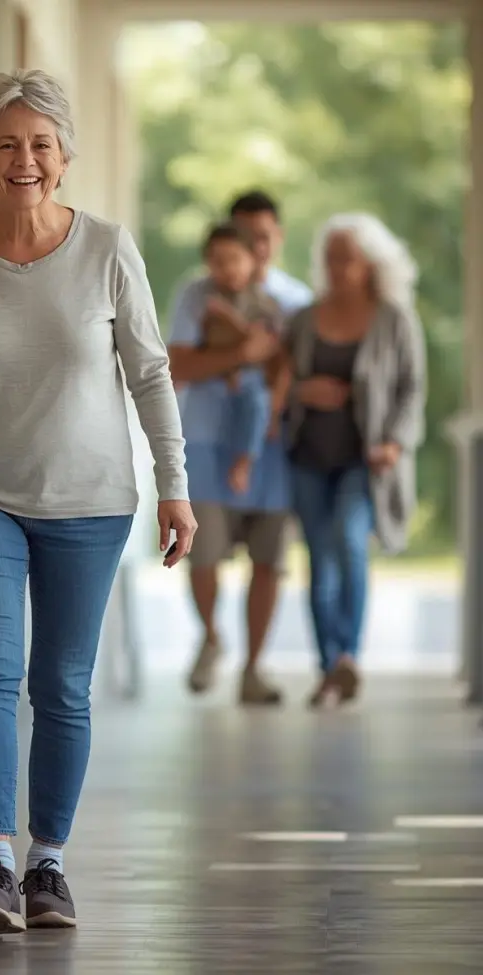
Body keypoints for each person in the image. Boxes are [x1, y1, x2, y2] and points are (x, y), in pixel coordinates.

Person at [0, 69, 197, 935]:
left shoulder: (107, 248)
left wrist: (175, 484)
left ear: (63, 157)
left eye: (40, 145)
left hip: (90, 498)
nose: (24, 160)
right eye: (6, 144)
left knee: (62, 683)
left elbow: (150, 372)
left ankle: (49, 864)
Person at [168, 190, 313, 705]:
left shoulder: (294, 301)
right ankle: (210, 636)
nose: (254, 244)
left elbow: (293, 373)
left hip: (271, 449)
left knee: (269, 560)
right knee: (200, 554)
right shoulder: (197, 293)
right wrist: (242, 353)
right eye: (243, 235)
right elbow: (178, 366)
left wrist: (252, 362)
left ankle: (253, 668)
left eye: (263, 236)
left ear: (276, 239)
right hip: (205, 442)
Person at [281, 213, 425, 707]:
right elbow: (279, 384)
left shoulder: (394, 317)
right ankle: (329, 667)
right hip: (307, 457)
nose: (337, 266)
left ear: (370, 264)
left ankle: (350, 656)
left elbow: (412, 389)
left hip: (366, 460)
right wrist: (304, 389)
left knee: (348, 540)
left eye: (348, 258)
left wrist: (396, 441)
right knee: (318, 563)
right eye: (331, 257)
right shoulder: (305, 318)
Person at [198, 222, 288, 495]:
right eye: (218, 262)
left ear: (252, 260)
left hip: (254, 377)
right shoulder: (206, 297)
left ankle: (243, 463)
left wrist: (227, 318)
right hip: (219, 388)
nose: (228, 269)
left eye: (235, 260)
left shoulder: (263, 302)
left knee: (257, 403)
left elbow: (261, 345)